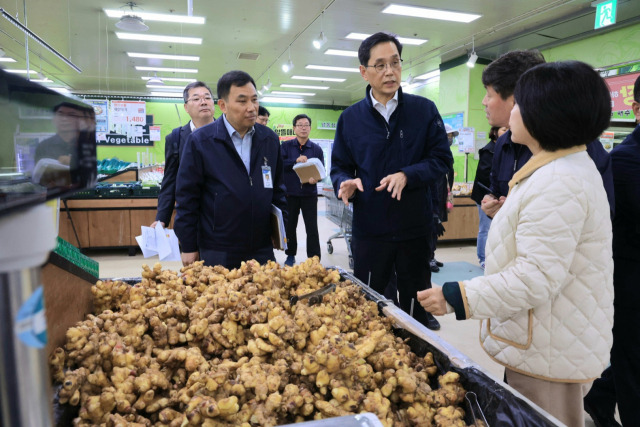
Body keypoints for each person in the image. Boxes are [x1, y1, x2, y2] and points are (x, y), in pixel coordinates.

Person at [418, 61, 614, 427]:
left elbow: (534, 277)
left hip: (552, 349)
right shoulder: (557, 170)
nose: (513, 111)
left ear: (545, 114)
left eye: (520, 103)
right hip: (546, 340)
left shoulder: (560, 180)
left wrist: (456, 296)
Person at [331, 32, 453, 331]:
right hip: (370, 229)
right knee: (369, 305)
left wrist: (408, 175)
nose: (390, 71)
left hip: (414, 227)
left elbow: (441, 160)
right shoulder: (350, 118)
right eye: (380, 65)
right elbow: (339, 166)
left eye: (395, 63)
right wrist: (345, 182)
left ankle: (419, 352)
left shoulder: (423, 111)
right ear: (364, 71)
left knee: (415, 306)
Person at [480, 50, 614, 219]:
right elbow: (497, 191)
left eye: (489, 94)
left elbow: (600, 212)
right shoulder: (504, 143)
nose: (484, 102)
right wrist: (493, 203)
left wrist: (520, 214)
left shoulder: (577, 147)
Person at [174, 70, 287, 269]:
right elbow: (187, 198)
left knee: (265, 298)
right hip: (218, 248)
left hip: (261, 247)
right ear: (223, 105)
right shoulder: (201, 141)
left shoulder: (269, 139)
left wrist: (279, 233)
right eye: (242, 101)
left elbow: (278, 190)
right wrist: (188, 245)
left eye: (254, 100)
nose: (252, 108)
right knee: (220, 300)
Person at [584, 73, 640, 427]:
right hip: (630, 284)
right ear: (636, 109)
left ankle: (599, 396)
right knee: (633, 363)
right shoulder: (621, 163)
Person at [151, 81, 215, 228]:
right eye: (196, 99)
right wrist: (162, 218)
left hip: (224, 216)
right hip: (191, 216)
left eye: (207, 97)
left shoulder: (227, 135)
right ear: (186, 107)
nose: (203, 102)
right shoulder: (176, 138)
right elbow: (170, 181)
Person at [281, 113, 324, 266]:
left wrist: (316, 179)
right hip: (290, 194)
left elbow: (321, 171)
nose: (303, 128)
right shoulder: (285, 146)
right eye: (300, 125)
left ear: (310, 128)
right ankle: (290, 255)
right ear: (294, 128)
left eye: (306, 125)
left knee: (312, 228)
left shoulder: (316, 149)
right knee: (290, 226)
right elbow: (280, 165)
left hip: (309, 194)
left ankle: (314, 259)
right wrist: (295, 160)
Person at [470, 126, 506, 268]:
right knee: (485, 228)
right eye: (504, 129)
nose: (507, 132)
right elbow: (485, 176)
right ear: (495, 132)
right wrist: (492, 192)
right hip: (485, 195)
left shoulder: (505, 149)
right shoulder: (488, 150)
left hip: (498, 197)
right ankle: (483, 258)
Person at [428, 124, 456, 272]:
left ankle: (432, 256)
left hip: (442, 195)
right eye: (447, 136)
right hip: (433, 197)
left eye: (451, 137)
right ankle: (428, 258)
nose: (450, 139)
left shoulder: (447, 153)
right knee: (432, 228)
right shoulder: (432, 154)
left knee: (437, 230)